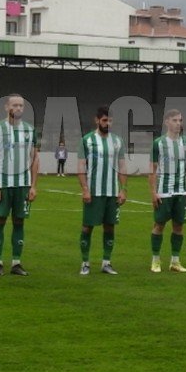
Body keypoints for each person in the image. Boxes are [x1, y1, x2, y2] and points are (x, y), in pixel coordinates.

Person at [0, 93, 38, 276]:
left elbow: (34, 158)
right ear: (6, 107)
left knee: (19, 221)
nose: (18, 108)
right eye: (14, 105)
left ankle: (16, 263)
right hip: (3, 184)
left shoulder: (30, 130)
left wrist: (33, 185)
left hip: (23, 185)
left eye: (21, 106)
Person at [78, 106, 127, 275]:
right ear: (97, 120)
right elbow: (81, 166)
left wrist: (123, 189)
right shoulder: (87, 140)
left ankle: (106, 262)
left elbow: (122, 166)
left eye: (110, 121)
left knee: (110, 227)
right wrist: (85, 189)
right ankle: (85, 263)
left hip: (112, 192)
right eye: (105, 120)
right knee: (87, 227)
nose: (108, 124)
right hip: (94, 192)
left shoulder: (118, 141)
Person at [149, 108, 186, 272]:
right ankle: (155, 260)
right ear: (166, 122)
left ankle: (175, 261)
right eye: (175, 120)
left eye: (180, 120)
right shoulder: (158, 143)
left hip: (182, 192)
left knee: (179, 226)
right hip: (164, 191)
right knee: (159, 225)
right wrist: (153, 193)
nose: (178, 123)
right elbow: (152, 170)